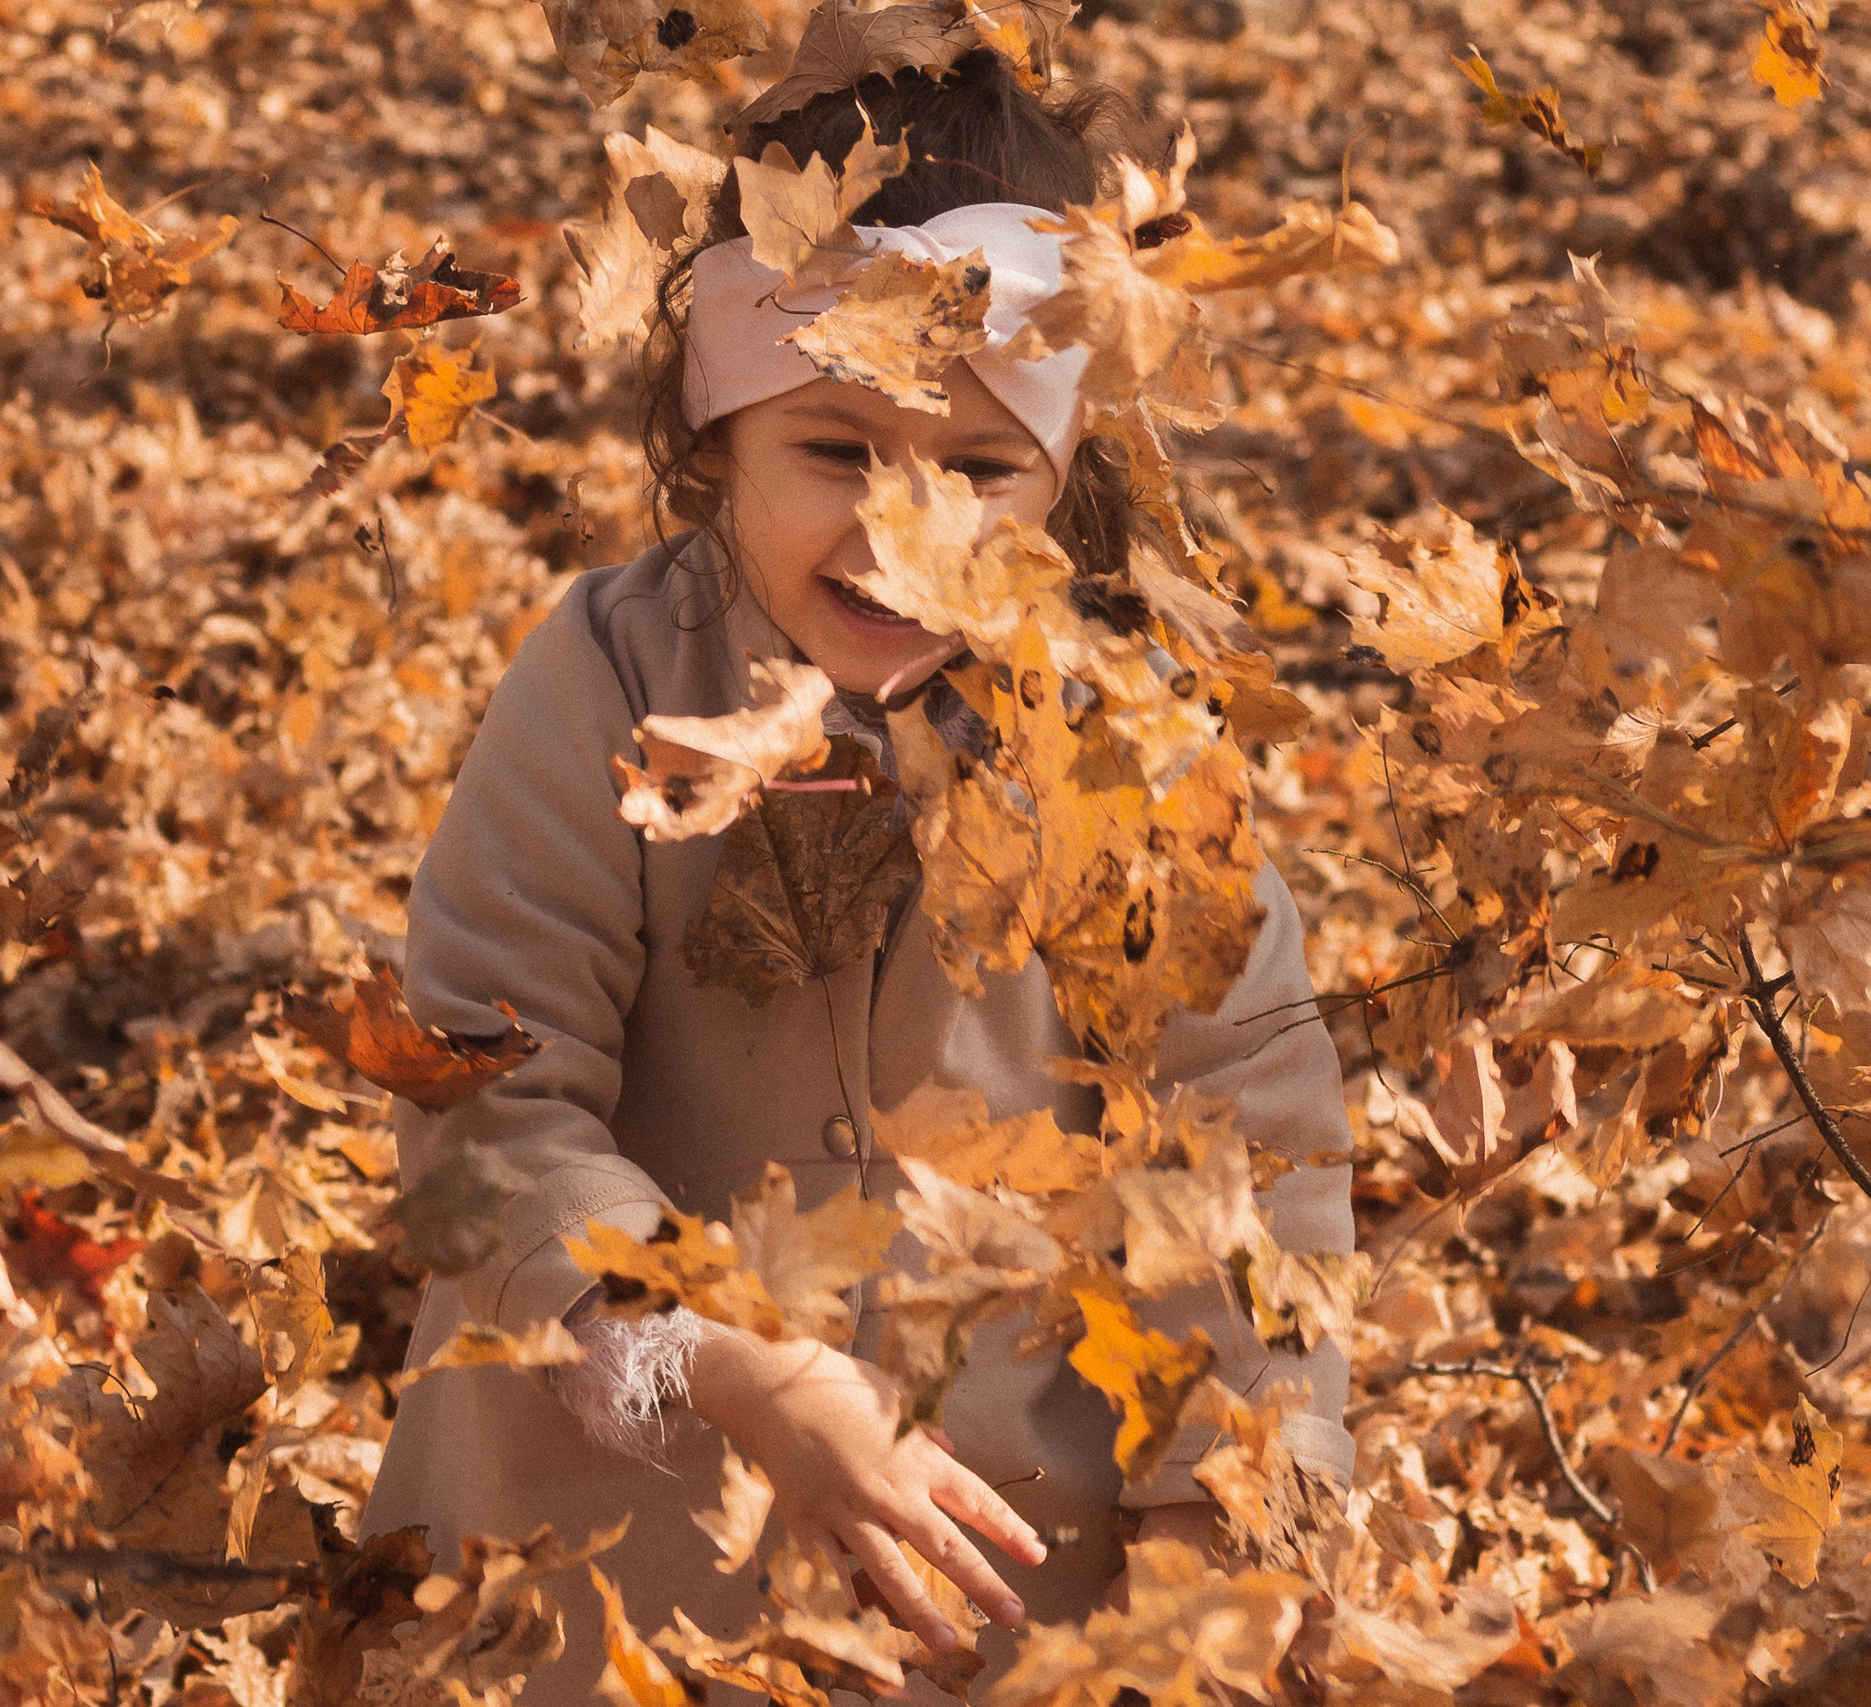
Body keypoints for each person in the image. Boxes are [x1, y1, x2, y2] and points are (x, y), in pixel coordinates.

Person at [358, 46, 1355, 1702]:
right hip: (605, 1570)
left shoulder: (1123, 748)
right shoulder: (607, 682)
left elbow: (1245, 1131)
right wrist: (740, 1373)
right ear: (715, 433)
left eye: (975, 471)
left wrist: (1228, 1507)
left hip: (1006, 1575)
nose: (903, 530)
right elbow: (480, 1105)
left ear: (1067, 477)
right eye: (835, 449)